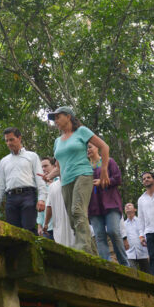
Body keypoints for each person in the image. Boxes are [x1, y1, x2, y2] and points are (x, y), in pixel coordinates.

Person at [43, 106, 108, 255]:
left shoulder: (81, 132)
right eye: (54, 119)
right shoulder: (57, 141)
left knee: (77, 210)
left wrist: (103, 170)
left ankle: (83, 252)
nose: (56, 121)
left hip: (82, 175)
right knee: (74, 220)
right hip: (66, 181)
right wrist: (49, 176)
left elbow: (104, 147)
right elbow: (58, 167)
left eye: (58, 117)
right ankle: (93, 254)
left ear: (68, 116)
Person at [0, 128, 47, 234]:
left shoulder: (32, 156)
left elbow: (40, 179)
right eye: (7, 141)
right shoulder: (4, 161)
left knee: (28, 229)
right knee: (12, 231)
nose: (9, 143)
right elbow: (0, 185)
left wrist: (42, 199)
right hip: (11, 198)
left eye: (11, 140)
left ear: (19, 138)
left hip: (28, 195)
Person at [87, 143, 128, 265]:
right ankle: (107, 264)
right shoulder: (85, 167)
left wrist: (103, 181)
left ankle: (125, 264)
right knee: (99, 236)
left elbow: (118, 178)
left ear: (97, 148)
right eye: (85, 148)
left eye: (89, 147)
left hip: (110, 203)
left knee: (113, 231)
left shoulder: (108, 161)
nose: (87, 150)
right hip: (93, 206)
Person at [42, 160, 74, 247]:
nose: (54, 169)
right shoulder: (52, 186)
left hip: (72, 227)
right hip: (60, 229)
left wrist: (46, 224)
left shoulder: (74, 182)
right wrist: (45, 224)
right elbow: (49, 207)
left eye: (56, 167)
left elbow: (49, 207)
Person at [121, 203, 149, 272]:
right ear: (124, 211)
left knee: (147, 274)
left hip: (143, 252)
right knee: (132, 273)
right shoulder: (123, 225)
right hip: (129, 253)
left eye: (130, 205)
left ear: (135, 209)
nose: (127, 206)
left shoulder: (141, 221)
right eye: (126, 206)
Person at [36, 157, 55, 240]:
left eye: (46, 166)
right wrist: (39, 226)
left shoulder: (61, 181)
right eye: (42, 167)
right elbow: (40, 209)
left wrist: (50, 182)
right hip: (46, 229)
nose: (43, 169)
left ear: (54, 166)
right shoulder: (42, 187)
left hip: (61, 227)